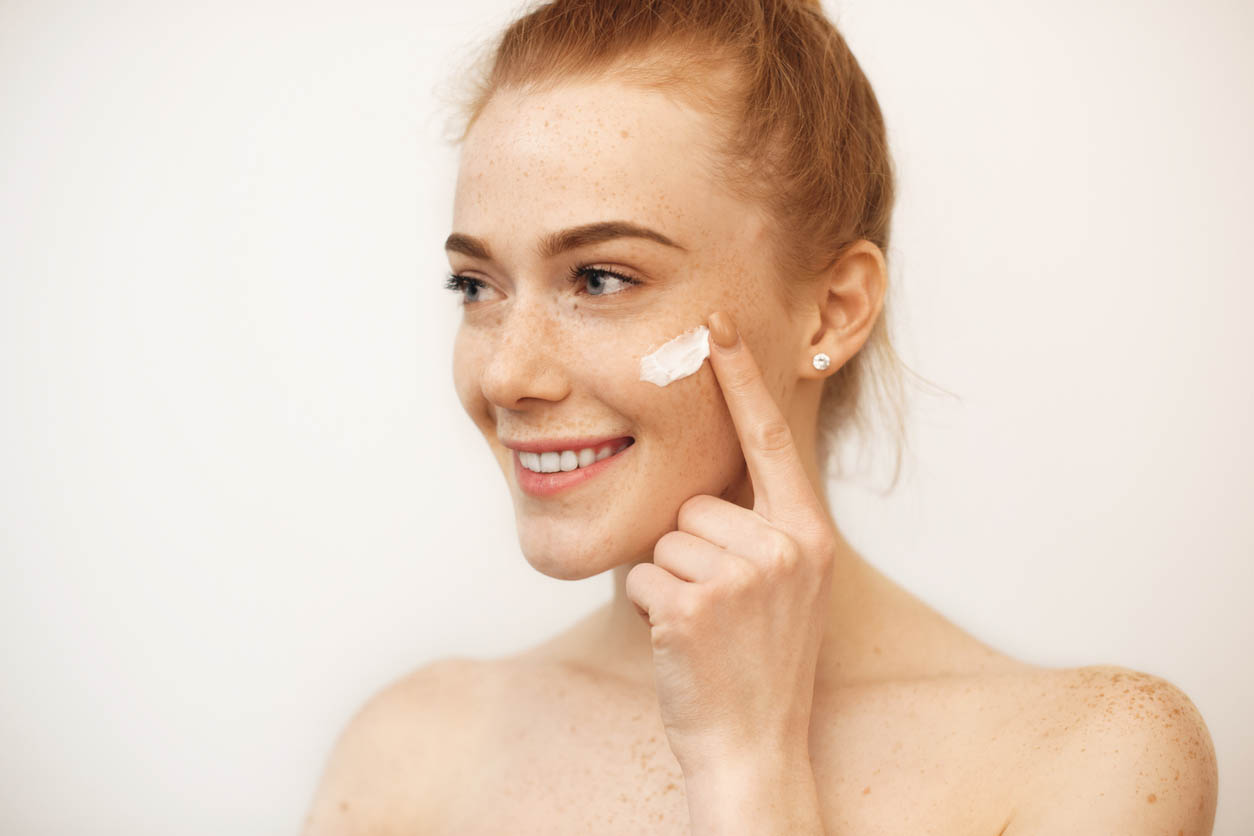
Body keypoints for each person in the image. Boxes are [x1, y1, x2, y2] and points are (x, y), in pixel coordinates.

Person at [302, 0, 1219, 832]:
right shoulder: (408, 757)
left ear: (833, 310)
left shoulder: (1094, 757)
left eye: (602, 277)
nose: (506, 372)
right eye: (476, 285)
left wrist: (748, 769)